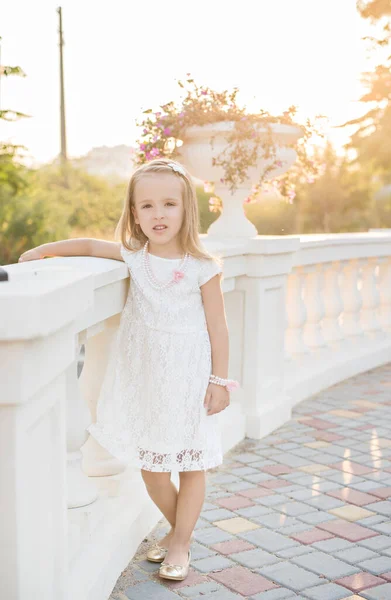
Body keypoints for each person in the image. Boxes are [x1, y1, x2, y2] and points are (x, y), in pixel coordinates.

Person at [19, 158, 239, 582]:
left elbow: (219, 328)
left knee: (192, 463)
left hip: (193, 377)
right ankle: (180, 531)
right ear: (134, 213)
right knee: (153, 467)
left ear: (186, 209)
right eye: (148, 206)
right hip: (150, 381)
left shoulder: (202, 267)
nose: (159, 214)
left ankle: (179, 544)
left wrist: (219, 382)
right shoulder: (134, 258)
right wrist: (43, 250)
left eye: (169, 204)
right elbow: (86, 245)